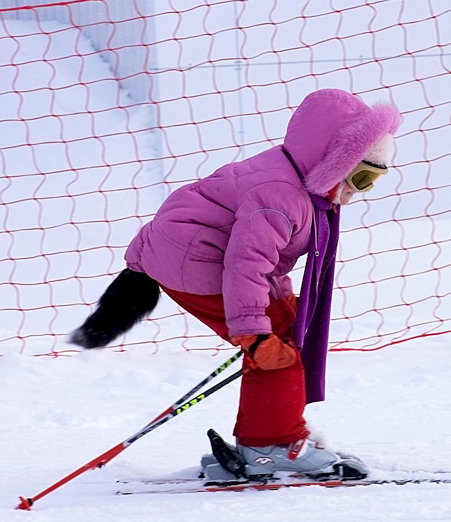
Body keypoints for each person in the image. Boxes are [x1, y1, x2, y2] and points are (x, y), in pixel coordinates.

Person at [69, 88, 401, 481]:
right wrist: (253, 332)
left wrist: (277, 304)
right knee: (275, 345)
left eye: (375, 180)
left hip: (188, 252)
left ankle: (268, 433)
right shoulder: (281, 196)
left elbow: (266, 260)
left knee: (286, 328)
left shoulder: (296, 181)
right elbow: (246, 263)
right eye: (361, 177)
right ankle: (272, 445)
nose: (361, 191)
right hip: (191, 262)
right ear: (333, 160)